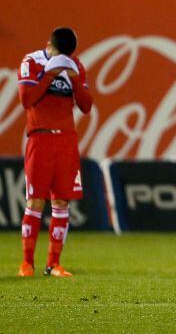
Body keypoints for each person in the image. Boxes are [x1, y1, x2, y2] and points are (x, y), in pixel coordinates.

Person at [16, 27, 93, 277]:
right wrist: (50, 75)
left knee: (61, 201)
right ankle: (27, 263)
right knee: (36, 200)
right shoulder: (32, 61)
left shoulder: (76, 65)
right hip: (40, 137)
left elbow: (86, 105)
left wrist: (72, 78)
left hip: (66, 140)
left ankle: (54, 264)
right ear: (48, 44)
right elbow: (27, 98)